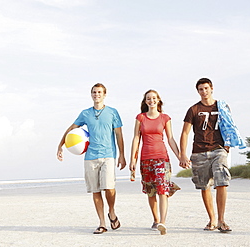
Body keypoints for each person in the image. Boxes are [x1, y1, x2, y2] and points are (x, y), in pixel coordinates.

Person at [57, 83, 127, 234]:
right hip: (90, 157)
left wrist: (122, 155)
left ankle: (112, 212)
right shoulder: (86, 113)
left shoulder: (112, 112)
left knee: (109, 188)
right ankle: (102, 223)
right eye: (94, 92)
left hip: (108, 155)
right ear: (91, 94)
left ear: (104, 94)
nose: (97, 95)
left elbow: (119, 135)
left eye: (99, 92)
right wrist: (60, 145)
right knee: (95, 190)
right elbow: (71, 129)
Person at [179, 78, 232, 233]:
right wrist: (183, 154)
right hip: (199, 151)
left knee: (222, 181)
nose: (204, 91)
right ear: (198, 91)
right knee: (204, 186)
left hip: (218, 149)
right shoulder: (193, 109)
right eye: (201, 89)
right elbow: (185, 132)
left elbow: (229, 125)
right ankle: (212, 219)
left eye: (206, 88)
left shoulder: (222, 106)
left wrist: (228, 142)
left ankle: (222, 220)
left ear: (212, 88)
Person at [129, 89, 180, 235]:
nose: (151, 100)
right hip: (146, 158)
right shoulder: (141, 118)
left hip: (162, 158)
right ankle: (156, 219)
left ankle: (163, 222)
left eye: (154, 98)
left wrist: (180, 156)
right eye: (148, 98)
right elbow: (136, 138)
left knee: (162, 190)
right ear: (145, 102)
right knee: (151, 192)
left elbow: (170, 139)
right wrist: (133, 158)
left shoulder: (165, 118)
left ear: (158, 100)